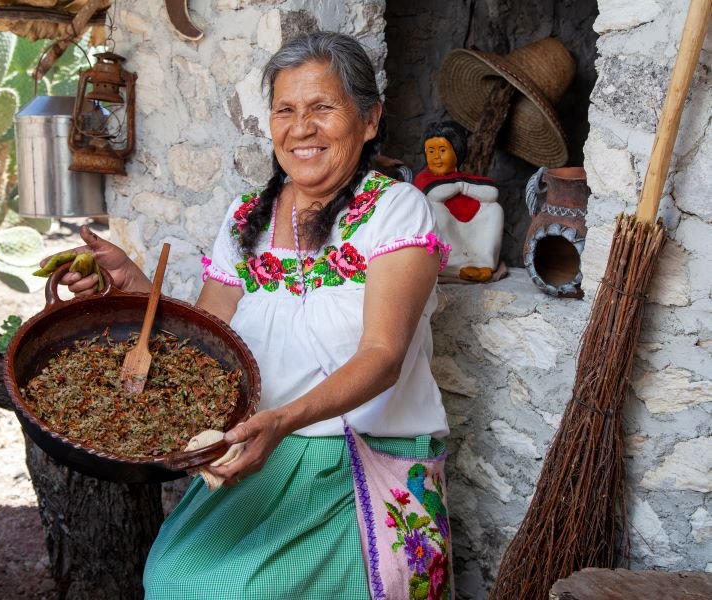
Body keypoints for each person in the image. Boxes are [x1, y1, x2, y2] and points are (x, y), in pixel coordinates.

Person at [53, 32, 452, 599]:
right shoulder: (247, 219)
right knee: (172, 578)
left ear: (368, 120)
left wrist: (282, 421)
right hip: (260, 454)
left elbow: (382, 357)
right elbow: (206, 343)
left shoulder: (395, 210)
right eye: (285, 110)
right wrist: (131, 290)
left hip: (354, 462)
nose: (301, 128)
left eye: (323, 108)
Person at [413, 121, 503, 282]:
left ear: (457, 152)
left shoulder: (464, 177)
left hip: (471, 225)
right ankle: (453, 266)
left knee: (494, 209)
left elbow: (492, 193)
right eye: (431, 151)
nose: (436, 157)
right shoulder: (424, 177)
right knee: (433, 207)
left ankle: (484, 263)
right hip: (448, 231)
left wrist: (462, 187)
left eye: (442, 150)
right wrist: (462, 186)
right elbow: (435, 194)